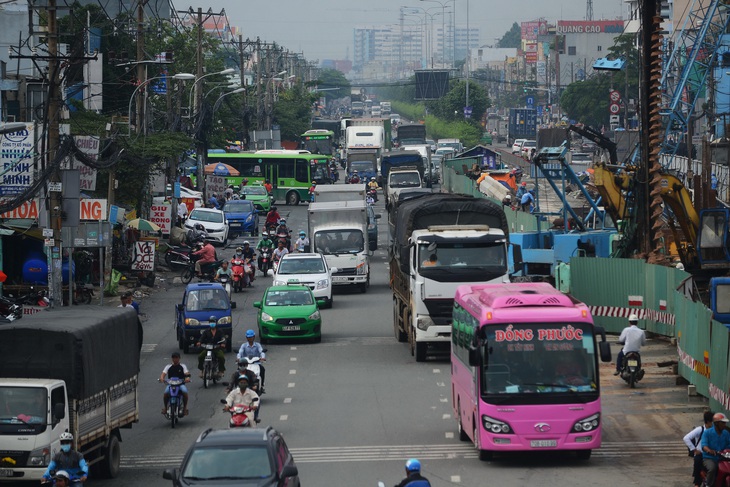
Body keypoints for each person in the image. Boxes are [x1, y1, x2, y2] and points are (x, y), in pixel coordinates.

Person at [684, 410, 715, 487]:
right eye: (712, 421)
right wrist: (694, 449)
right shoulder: (700, 429)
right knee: (698, 471)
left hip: (711, 454)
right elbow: (686, 438)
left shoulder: (715, 430)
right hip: (701, 454)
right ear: (708, 421)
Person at [701, 412, 730, 487]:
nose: (724, 425)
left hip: (724, 458)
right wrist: (709, 450)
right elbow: (704, 445)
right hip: (710, 458)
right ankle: (708, 484)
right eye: (722, 423)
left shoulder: (726, 433)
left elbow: (729, 444)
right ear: (716, 423)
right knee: (712, 468)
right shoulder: (707, 433)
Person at [160, 352, 191, 417]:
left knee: (185, 392)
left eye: (176, 358)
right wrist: (162, 378)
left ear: (179, 358)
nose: (175, 359)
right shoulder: (168, 366)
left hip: (180, 384)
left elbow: (186, 373)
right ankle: (165, 408)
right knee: (165, 393)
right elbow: (163, 374)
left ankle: (185, 408)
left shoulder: (183, 366)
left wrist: (187, 378)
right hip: (170, 384)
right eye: (173, 358)